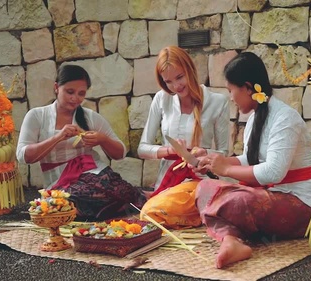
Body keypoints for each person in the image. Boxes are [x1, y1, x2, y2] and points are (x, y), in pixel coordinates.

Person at [194, 52, 311, 268]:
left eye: (231, 90)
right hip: (270, 196)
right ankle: (231, 241)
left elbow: (273, 172)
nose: (231, 97)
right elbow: (249, 159)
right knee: (204, 188)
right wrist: (214, 160)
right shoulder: (255, 117)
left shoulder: (285, 118)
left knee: (239, 202)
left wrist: (225, 169)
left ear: (248, 88)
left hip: (302, 204)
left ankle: (230, 237)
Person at [17, 64, 145, 219]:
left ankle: (122, 201)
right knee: (71, 201)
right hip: (60, 181)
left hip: (93, 172)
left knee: (116, 188)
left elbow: (120, 153)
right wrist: (58, 137)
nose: (75, 98)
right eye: (70, 92)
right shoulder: (37, 116)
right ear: (57, 87)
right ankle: (117, 206)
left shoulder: (91, 117)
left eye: (81, 94)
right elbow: (23, 156)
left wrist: (102, 139)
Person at [138, 46, 230, 228]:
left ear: (190, 69)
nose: (175, 86)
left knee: (150, 213)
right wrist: (167, 151)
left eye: (179, 77)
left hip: (201, 179)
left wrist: (205, 153)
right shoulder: (161, 99)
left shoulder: (218, 101)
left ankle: (204, 211)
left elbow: (224, 152)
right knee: (150, 211)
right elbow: (142, 148)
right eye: (168, 82)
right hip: (168, 181)